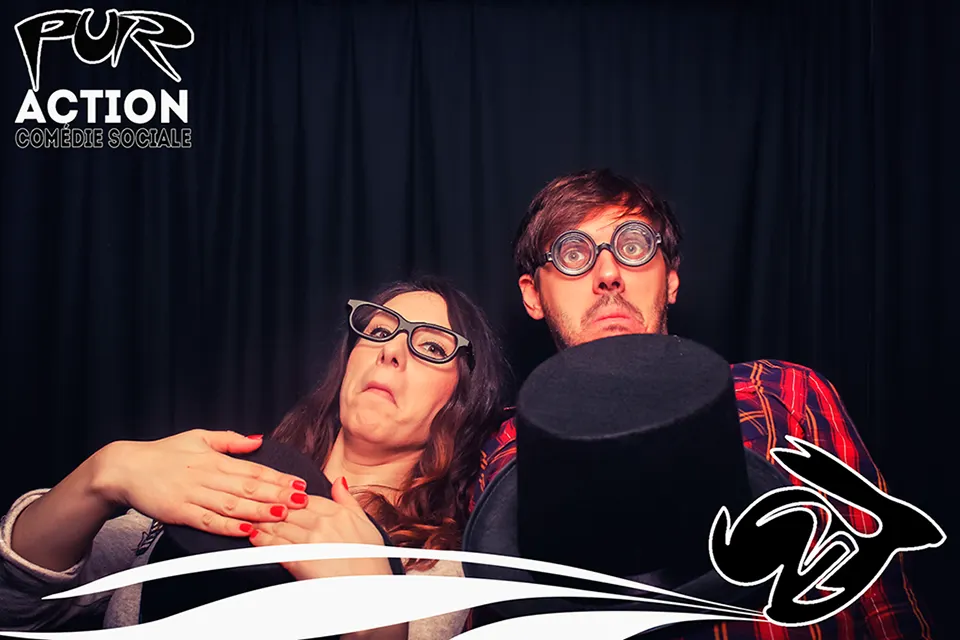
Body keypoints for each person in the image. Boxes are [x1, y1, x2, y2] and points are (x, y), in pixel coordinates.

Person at [468, 169, 934, 639]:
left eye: (633, 247)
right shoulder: (502, 445)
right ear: (532, 295)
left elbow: (883, 595)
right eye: (573, 254)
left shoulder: (784, 391)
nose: (608, 275)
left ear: (670, 279)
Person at [0, 276, 509, 640]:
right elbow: (18, 609)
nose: (391, 351)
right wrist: (103, 473)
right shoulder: (225, 482)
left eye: (431, 347)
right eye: (377, 332)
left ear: (463, 398)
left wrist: (376, 617)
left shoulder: (438, 571)